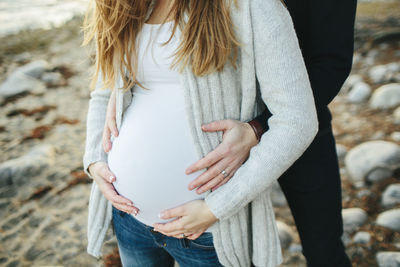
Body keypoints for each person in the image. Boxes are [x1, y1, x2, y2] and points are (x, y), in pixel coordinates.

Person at [82, 0, 320, 266]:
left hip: (209, 233)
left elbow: (297, 120)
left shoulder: (251, 7)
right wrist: (95, 161)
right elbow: (104, 88)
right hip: (129, 219)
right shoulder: (124, 5)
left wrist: (216, 208)